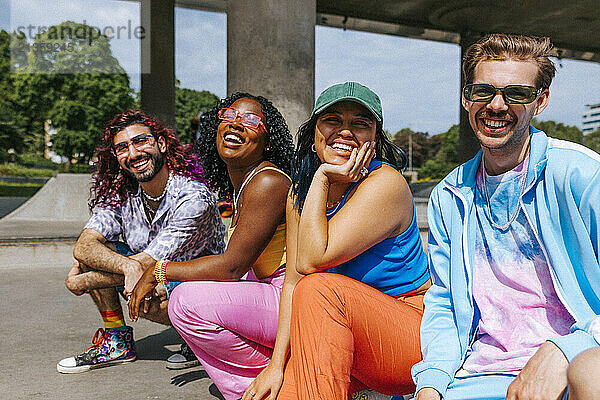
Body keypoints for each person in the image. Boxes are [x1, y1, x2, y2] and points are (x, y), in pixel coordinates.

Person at [412, 34, 600, 400]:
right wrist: (431, 383)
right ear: (466, 98)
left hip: (571, 373)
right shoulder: (450, 196)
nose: (496, 105)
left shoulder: (582, 176)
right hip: (475, 378)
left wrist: (571, 348)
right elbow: (446, 303)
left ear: (540, 101)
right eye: (483, 91)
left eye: (517, 94)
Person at [244, 82, 430, 400]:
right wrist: (277, 365)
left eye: (360, 123)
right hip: (340, 335)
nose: (345, 131)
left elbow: (312, 261)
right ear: (315, 133)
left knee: (318, 288)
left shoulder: (385, 183)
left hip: (409, 335)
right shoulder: (300, 193)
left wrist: (323, 176)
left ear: (375, 139)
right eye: (332, 120)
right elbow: (291, 283)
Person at [128, 93, 295, 400]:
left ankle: (276, 385)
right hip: (274, 292)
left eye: (250, 120)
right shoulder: (245, 182)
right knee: (188, 292)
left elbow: (232, 267)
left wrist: (160, 271)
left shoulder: (268, 182)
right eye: (229, 115)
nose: (236, 124)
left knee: (186, 303)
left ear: (268, 141)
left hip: (292, 301)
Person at [57, 110, 225, 373]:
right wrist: (127, 267)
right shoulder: (122, 193)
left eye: (140, 142)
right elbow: (85, 246)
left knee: (145, 295)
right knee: (102, 255)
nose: (133, 154)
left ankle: (198, 339)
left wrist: (80, 280)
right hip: (156, 277)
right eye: (122, 148)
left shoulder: (193, 197)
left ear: (161, 144)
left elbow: (149, 264)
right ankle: (117, 341)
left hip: (202, 285)